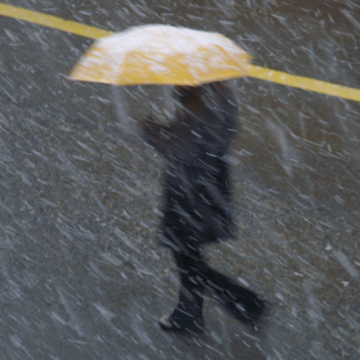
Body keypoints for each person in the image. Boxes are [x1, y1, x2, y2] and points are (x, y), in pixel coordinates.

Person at [141, 82, 265, 333]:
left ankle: (246, 302)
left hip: (188, 192)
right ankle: (189, 313)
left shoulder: (195, 108)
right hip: (211, 185)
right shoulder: (222, 96)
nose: (173, 82)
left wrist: (153, 131)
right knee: (188, 254)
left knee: (187, 258)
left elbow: (178, 152)